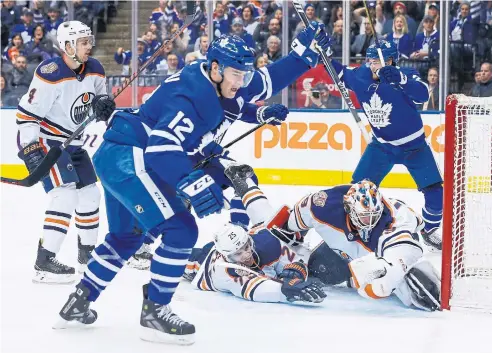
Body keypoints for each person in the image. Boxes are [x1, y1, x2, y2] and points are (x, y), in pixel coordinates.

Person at [54, 25, 331, 345]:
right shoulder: (194, 95)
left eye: (244, 74)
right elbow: (161, 149)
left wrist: (302, 58)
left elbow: (264, 82)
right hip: (132, 157)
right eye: (236, 75)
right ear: (215, 69)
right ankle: (155, 311)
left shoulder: (223, 77)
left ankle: (78, 302)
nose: (241, 81)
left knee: (125, 238)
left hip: (117, 153)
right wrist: (193, 182)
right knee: (180, 230)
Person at [225, 166, 440, 311]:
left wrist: (377, 283)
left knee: (421, 289)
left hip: (380, 255)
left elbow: (397, 265)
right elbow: (285, 223)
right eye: (364, 217)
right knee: (274, 233)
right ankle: (245, 184)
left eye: (374, 216)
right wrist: (289, 244)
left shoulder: (397, 219)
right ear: (348, 208)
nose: (369, 223)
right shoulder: (321, 205)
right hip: (338, 253)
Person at [15, 21, 115, 284]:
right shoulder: (50, 72)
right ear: (67, 46)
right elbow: (27, 116)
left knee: (91, 194)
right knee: (64, 194)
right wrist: (31, 148)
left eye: (88, 41)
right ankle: (45, 261)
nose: (89, 47)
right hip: (46, 140)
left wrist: (104, 107)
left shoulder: (96, 68)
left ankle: (87, 256)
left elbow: (101, 100)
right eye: (83, 43)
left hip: (73, 142)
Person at [329, 39, 443, 251]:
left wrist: (401, 80)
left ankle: (429, 230)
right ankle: (357, 229)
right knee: (357, 190)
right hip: (382, 147)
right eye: (371, 61)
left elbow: (422, 93)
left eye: (380, 61)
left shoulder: (405, 74)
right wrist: (324, 54)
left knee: (436, 194)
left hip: (415, 147)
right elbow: (339, 72)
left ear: (392, 61)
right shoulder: (360, 75)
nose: (375, 66)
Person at [185, 223, 327, 304]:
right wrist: (285, 290)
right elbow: (255, 289)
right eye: (238, 253)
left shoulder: (267, 243)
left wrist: (295, 274)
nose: (246, 254)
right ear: (227, 256)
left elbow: (296, 262)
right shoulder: (225, 271)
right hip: (202, 264)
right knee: (180, 259)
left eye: (246, 247)